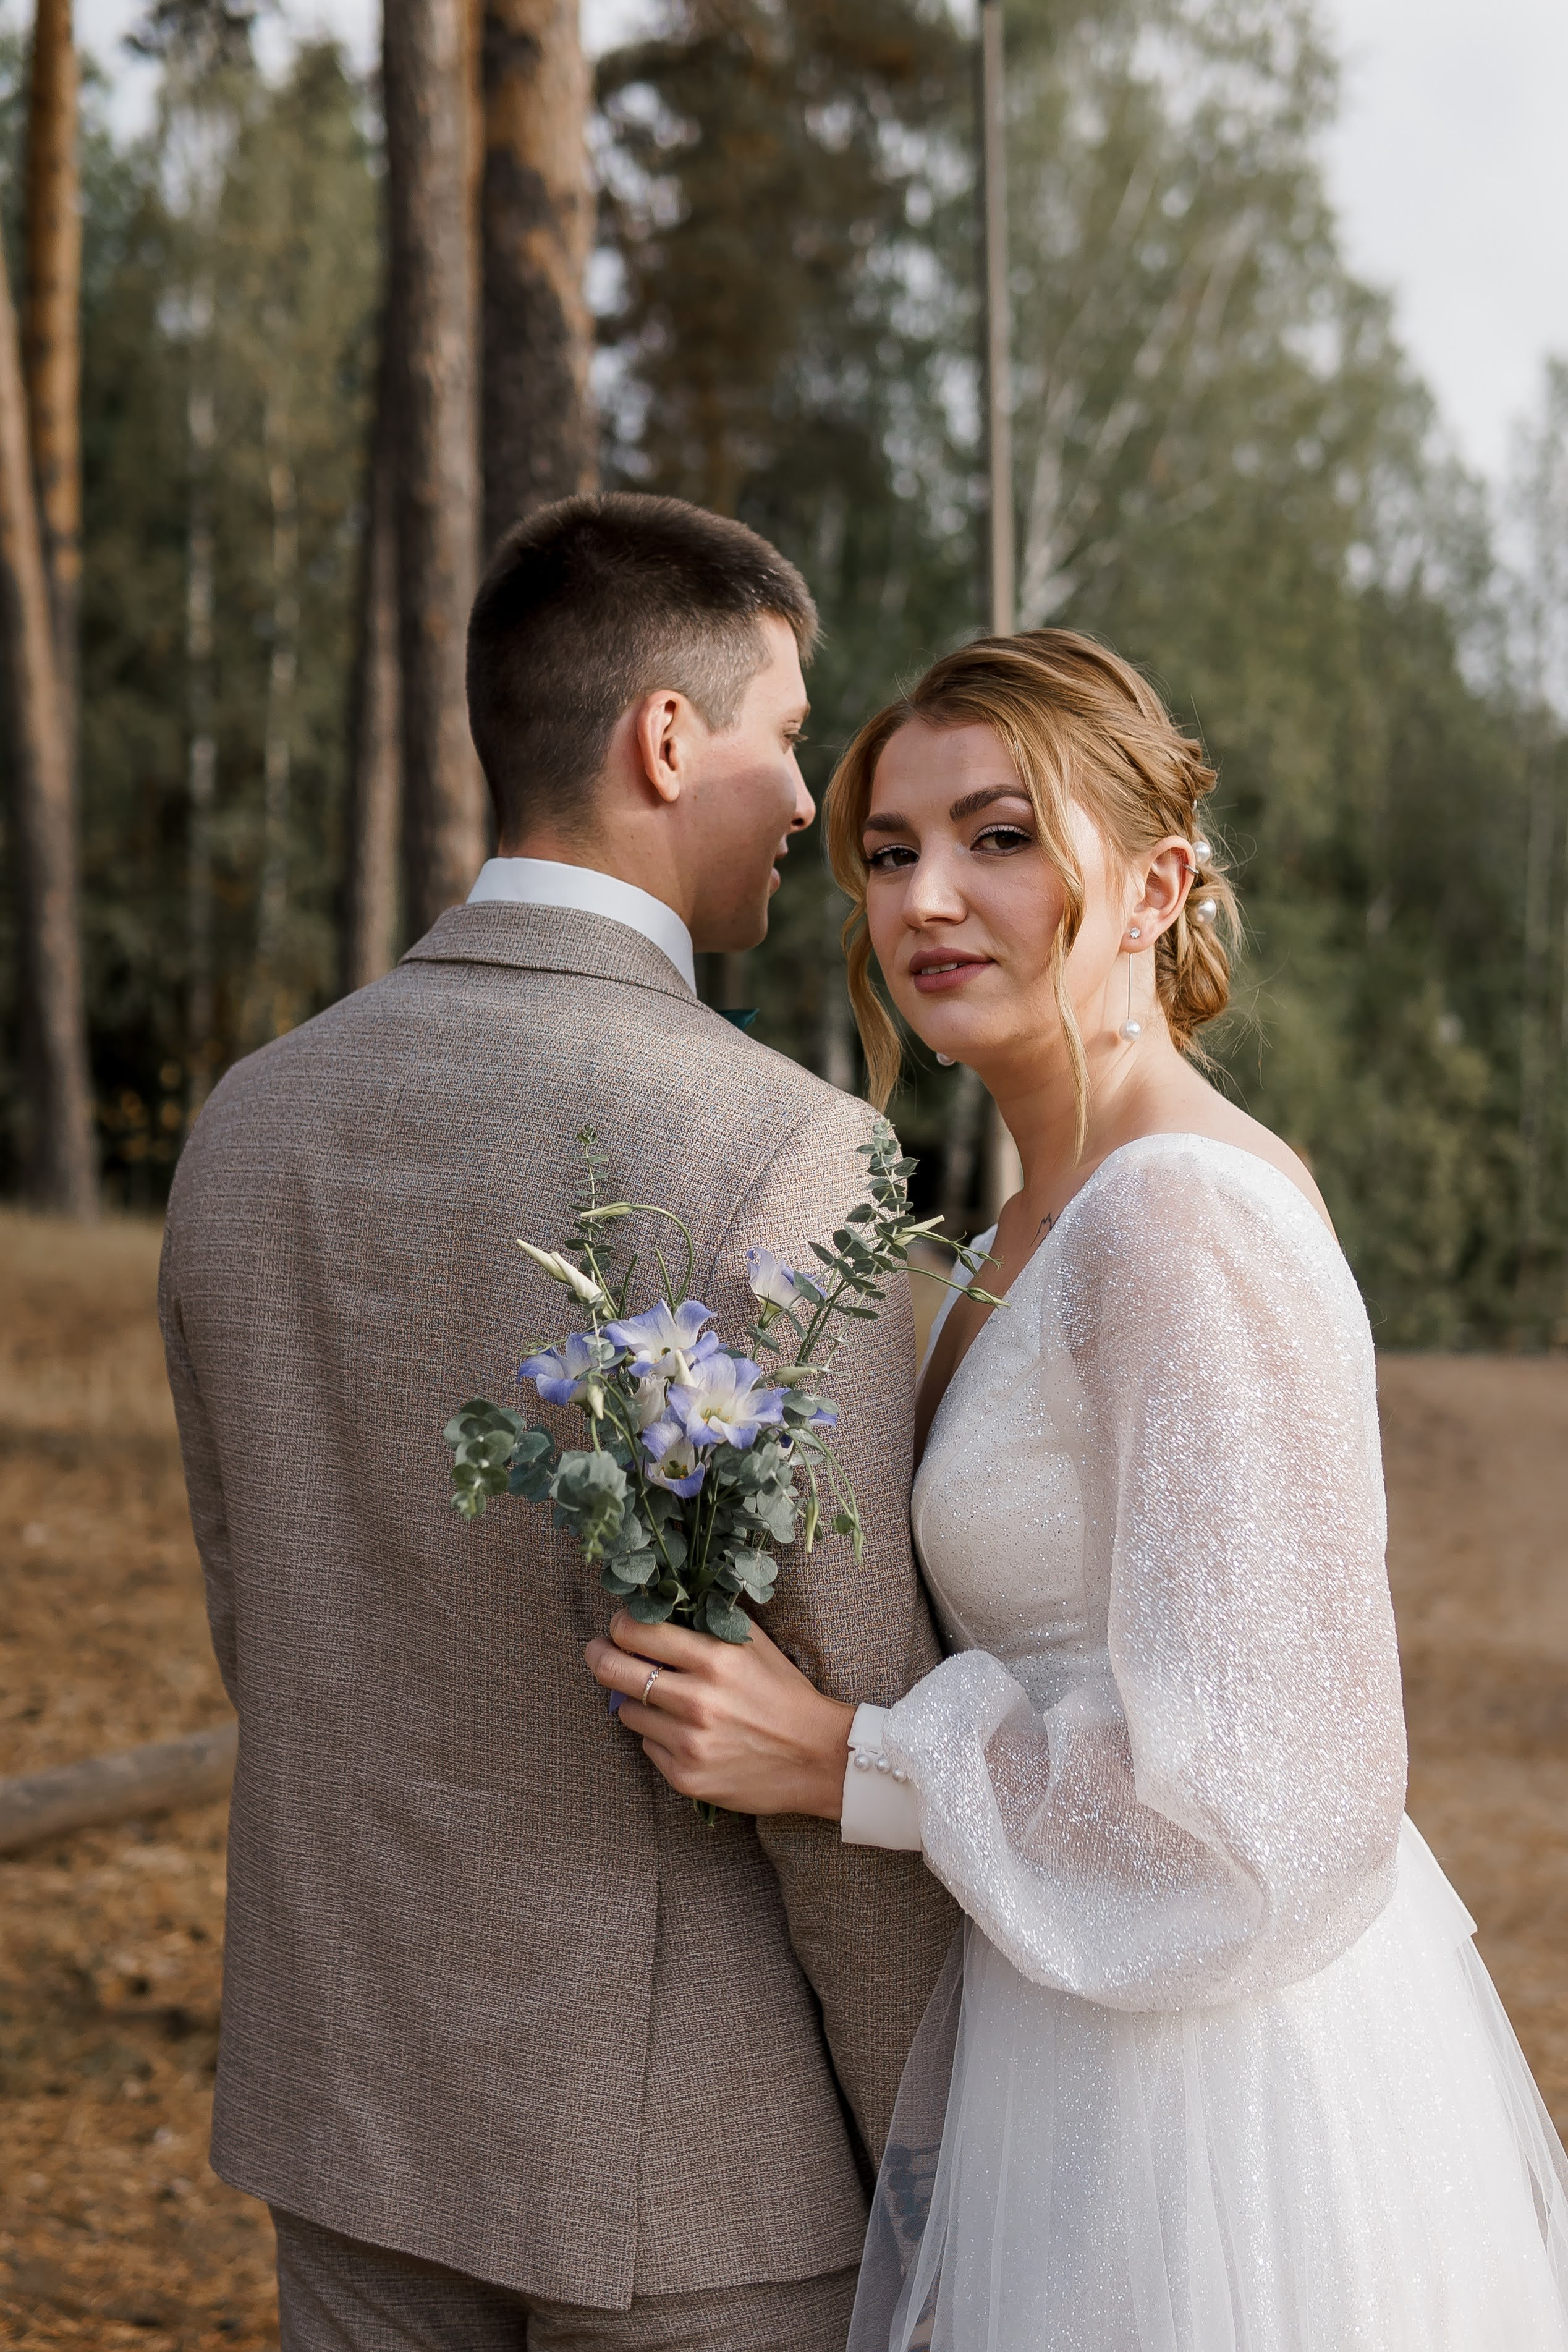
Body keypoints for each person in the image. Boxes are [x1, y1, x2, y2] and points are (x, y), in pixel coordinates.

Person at [587, 627, 1568, 2348]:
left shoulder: (1180, 1217)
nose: (926, 900)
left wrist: (843, 1761)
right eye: (890, 850)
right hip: (1066, 2003)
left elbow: (1271, 1792)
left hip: (1206, 2079)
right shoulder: (1019, 1231)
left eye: (1001, 837)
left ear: (1155, 887)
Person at [158, 492, 956, 2351]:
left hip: (351, 2100)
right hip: (698, 2167)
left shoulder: (248, 1123)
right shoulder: (790, 1149)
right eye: (785, 736)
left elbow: (266, 1618)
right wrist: (934, 2139)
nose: (808, 799)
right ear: (666, 739)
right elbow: (836, 1710)